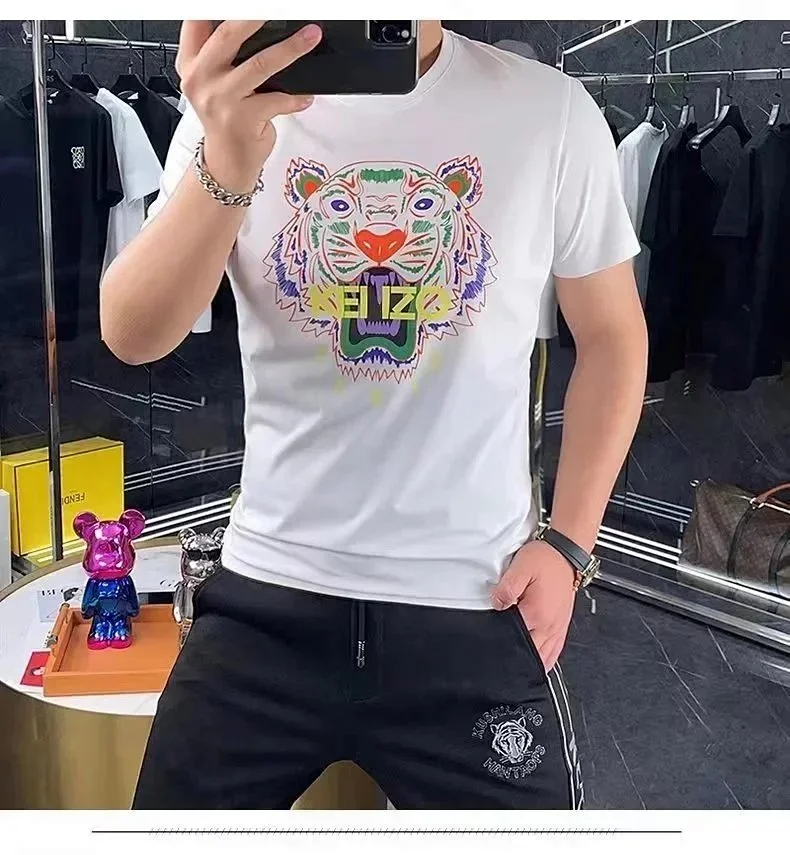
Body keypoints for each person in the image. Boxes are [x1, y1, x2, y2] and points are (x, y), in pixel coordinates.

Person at [103, 20, 647, 809]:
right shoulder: (237, 103)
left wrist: (569, 547)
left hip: (475, 598)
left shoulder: (549, 111)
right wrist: (228, 154)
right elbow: (132, 333)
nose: (381, 237)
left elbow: (613, 337)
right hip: (267, 595)